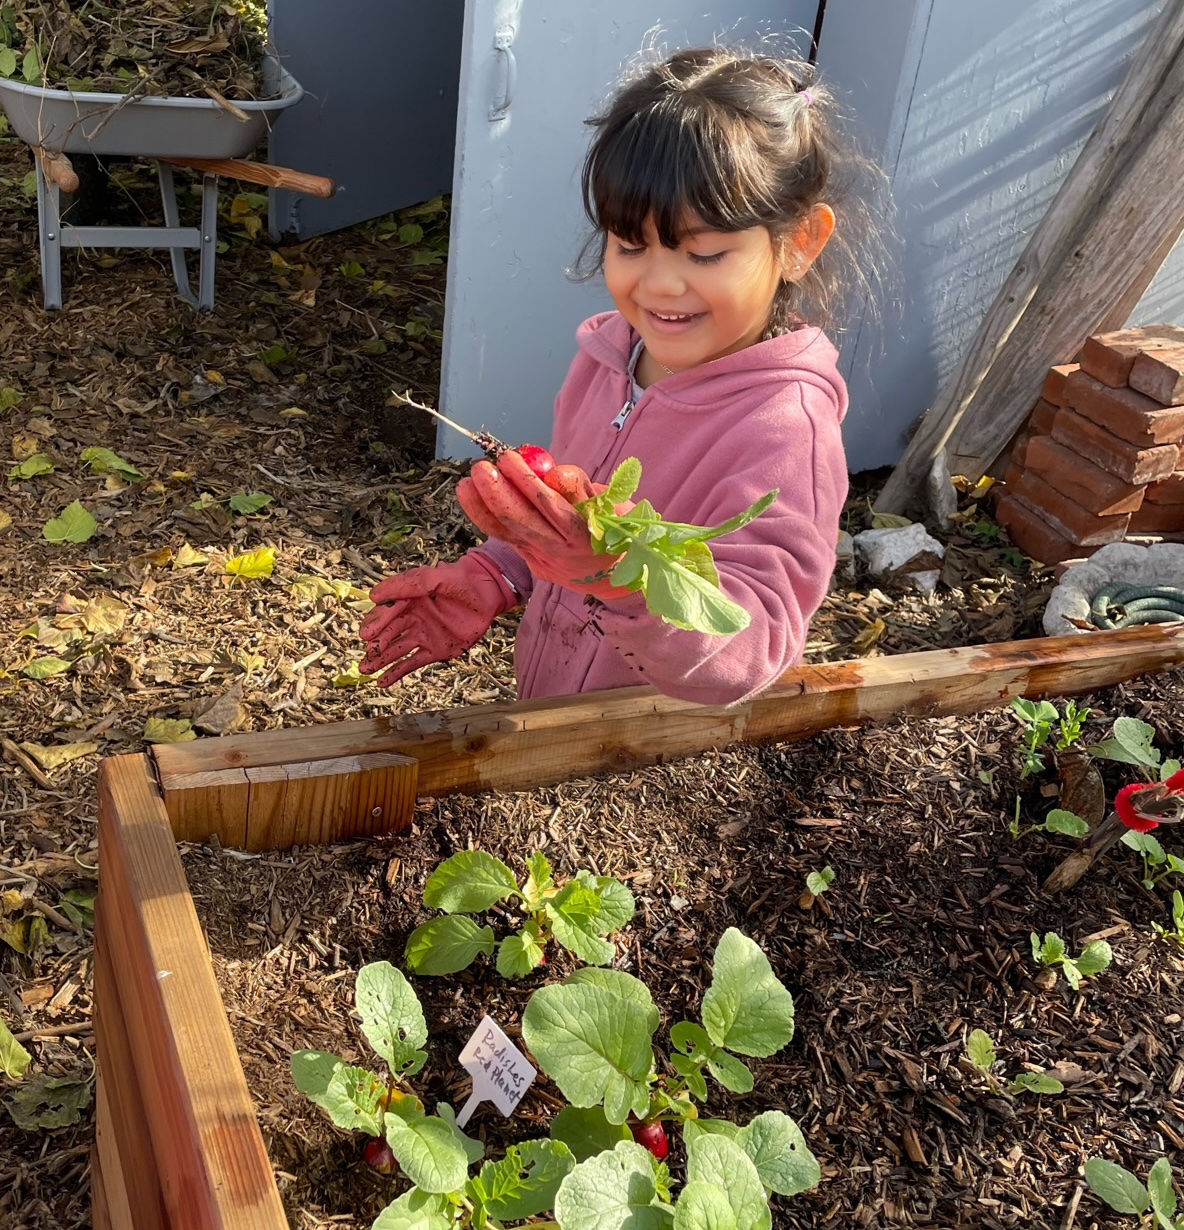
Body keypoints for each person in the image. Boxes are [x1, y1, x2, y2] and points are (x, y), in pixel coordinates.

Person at [360, 45, 889, 706]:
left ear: (801, 242)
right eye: (629, 245)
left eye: (704, 253)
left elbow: (750, 650)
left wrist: (624, 576)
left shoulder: (786, 433)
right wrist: (498, 574)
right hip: (557, 717)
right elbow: (574, 534)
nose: (662, 284)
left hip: (656, 763)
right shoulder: (610, 355)